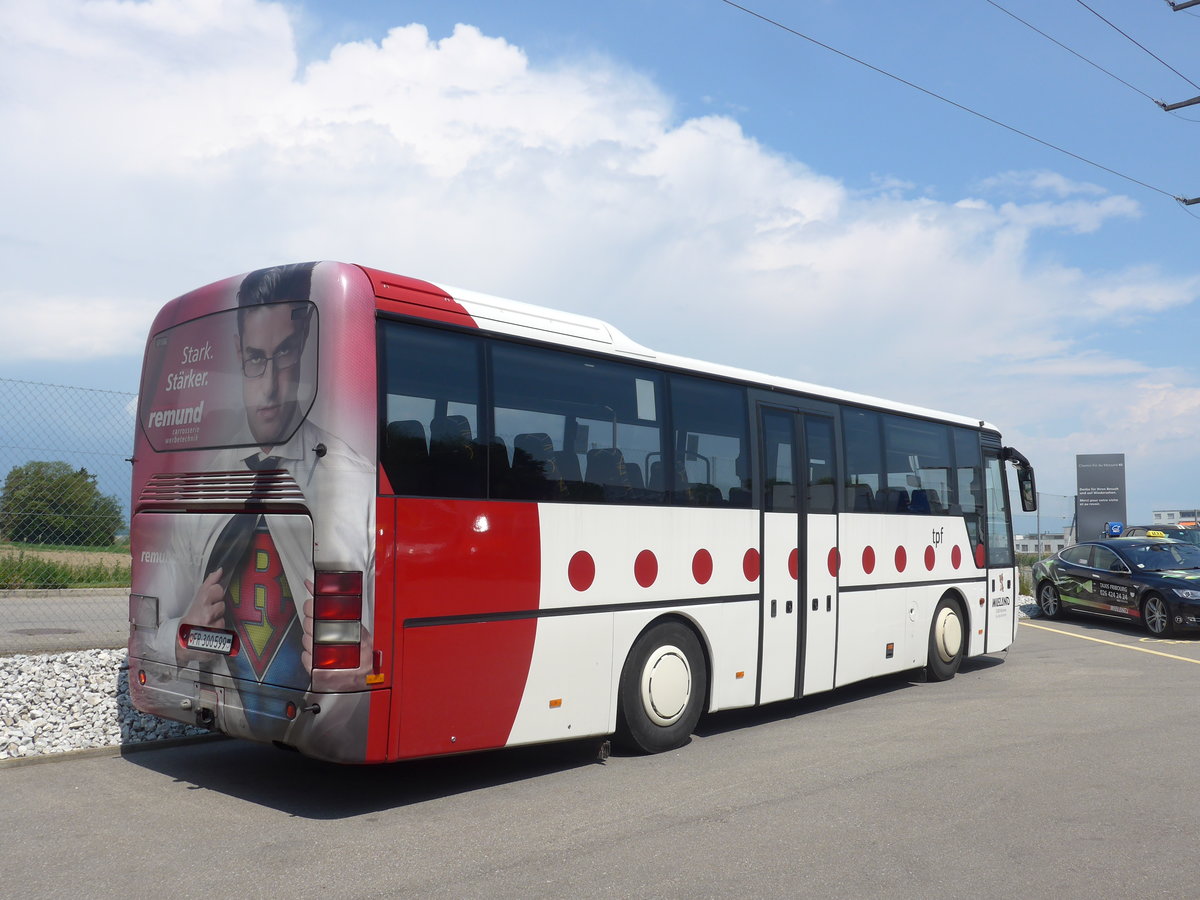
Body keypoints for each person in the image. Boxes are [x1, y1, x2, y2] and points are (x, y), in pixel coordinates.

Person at [147, 262, 374, 756]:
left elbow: (379, 643)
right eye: (255, 358)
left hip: (329, 723)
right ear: (236, 354)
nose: (269, 386)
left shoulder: (356, 487)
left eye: (285, 354)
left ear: (309, 348)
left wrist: (360, 657)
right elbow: (153, 629)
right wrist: (182, 635)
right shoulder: (198, 489)